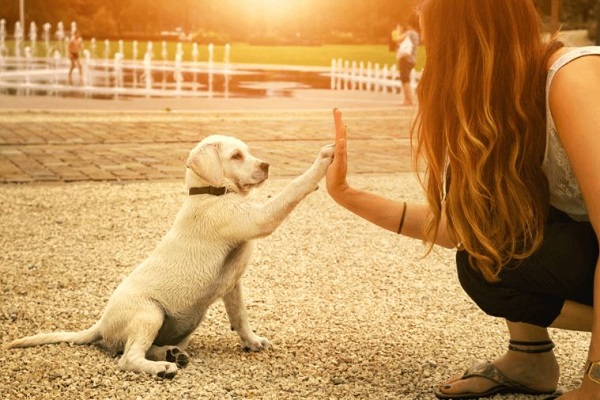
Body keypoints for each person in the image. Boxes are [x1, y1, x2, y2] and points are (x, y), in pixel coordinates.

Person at [325, 0, 600, 399]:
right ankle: (530, 360)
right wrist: (346, 194)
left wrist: (594, 385)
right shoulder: (501, 108)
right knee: (483, 259)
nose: (429, 65)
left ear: (466, 36)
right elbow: (463, 231)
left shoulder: (572, 77)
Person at [395, 14, 419, 106]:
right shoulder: (417, 34)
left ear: (410, 24)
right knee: (406, 78)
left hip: (406, 59)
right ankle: (407, 99)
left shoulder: (409, 33)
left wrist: (398, 30)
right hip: (412, 59)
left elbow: (397, 39)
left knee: (405, 79)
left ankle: (408, 100)